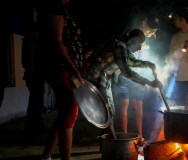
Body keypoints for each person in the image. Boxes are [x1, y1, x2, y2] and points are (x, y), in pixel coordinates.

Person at [86, 29, 161, 142]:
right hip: (96, 78)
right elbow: (127, 71)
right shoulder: (119, 45)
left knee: (109, 112)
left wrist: (149, 64)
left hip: (104, 79)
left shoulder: (123, 46)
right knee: (108, 112)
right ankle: (112, 144)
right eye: (139, 44)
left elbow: (132, 61)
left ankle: (106, 143)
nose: (140, 48)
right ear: (133, 40)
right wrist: (150, 82)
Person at [36, 0, 85, 159]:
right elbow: (58, 42)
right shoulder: (55, 8)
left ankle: (46, 156)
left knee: (64, 114)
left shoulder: (58, 8)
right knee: (71, 112)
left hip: (64, 67)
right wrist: (73, 68)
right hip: (62, 68)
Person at [21, 23, 47, 133]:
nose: (38, 34)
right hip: (34, 76)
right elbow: (31, 60)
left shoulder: (32, 42)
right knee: (35, 100)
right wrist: (35, 74)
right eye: (37, 32)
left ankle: (34, 123)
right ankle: (32, 125)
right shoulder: (29, 42)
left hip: (35, 75)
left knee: (36, 100)